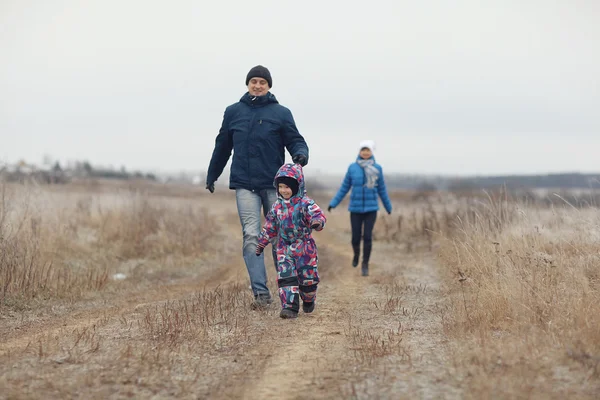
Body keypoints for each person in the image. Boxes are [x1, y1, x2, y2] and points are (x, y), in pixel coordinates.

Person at [206, 65, 309, 309]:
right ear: (247, 84)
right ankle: (261, 294)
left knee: (280, 237)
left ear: (269, 86)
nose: (257, 85)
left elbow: (295, 140)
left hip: (275, 185)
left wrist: (300, 154)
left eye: (262, 81)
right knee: (252, 235)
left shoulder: (281, 113)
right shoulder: (233, 112)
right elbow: (222, 146)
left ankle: (288, 288)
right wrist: (213, 174)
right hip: (245, 184)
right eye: (253, 81)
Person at [256, 163, 326, 319]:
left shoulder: (306, 203)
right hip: (284, 247)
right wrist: (262, 241)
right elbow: (270, 226)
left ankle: (308, 298)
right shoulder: (276, 207)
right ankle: (289, 307)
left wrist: (316, 222)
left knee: (308, 281)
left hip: (305, 248)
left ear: (297, 186)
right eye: (281, 186)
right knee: (286, 277)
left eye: (287, 187)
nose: (283, 190)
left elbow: (318, 215)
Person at [327, 140, 392, 277]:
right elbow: (345, 187)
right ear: (359, 152)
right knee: (355, 238)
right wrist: (333, 203)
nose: (365, 152)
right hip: (355, 209)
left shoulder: (377, 168)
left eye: (368, 150)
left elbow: (382, 189)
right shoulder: (352, 168)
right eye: (363, 150)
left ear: (372, 152)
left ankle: (365, 264)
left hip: (371, 209)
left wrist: (388, 207)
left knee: (367, 237)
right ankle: (356, 254)